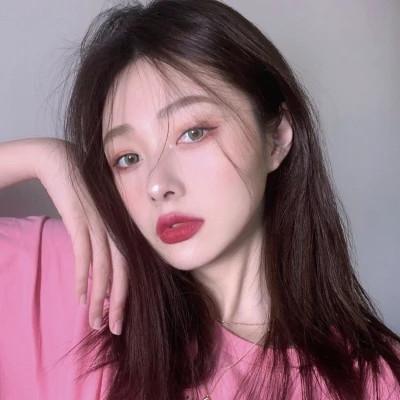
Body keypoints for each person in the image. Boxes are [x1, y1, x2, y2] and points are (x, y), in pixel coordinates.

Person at [0, 0, 399, 399]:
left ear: (276, 138)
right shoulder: (83, 282)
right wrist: (42, 156)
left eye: (193, 132)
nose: (157, 184)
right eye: (128, 158)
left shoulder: (376, 382)